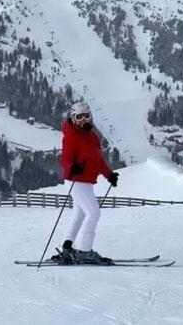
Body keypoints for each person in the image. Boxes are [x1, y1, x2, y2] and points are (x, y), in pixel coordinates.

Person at [51, 101, 119, 264]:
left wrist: (109, 175)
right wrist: (71, 167)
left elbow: (97, 159)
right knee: (93, 213)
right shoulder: (72, 136)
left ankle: (67, 246)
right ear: (73, 119)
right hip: (76, 180)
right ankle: (84, 250)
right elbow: (65, 159)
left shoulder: (92, 135)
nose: (83, 120)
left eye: (86, 116)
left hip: (86, 181)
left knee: (80, 214)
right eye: (79, 117)